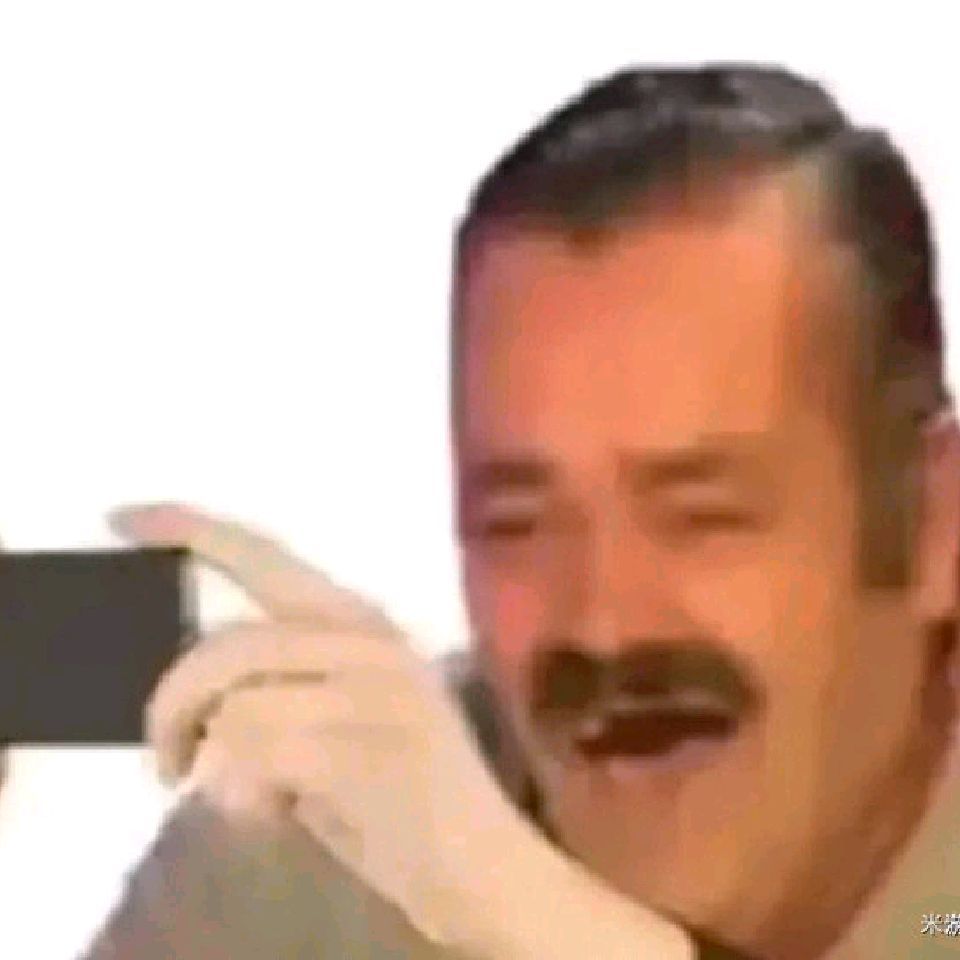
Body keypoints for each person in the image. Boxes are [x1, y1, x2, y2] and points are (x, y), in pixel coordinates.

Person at [78, 63, 960, 959]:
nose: (604, 624)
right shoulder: (322, 853)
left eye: (700, 516)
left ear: (937, 522)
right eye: (516, 526)